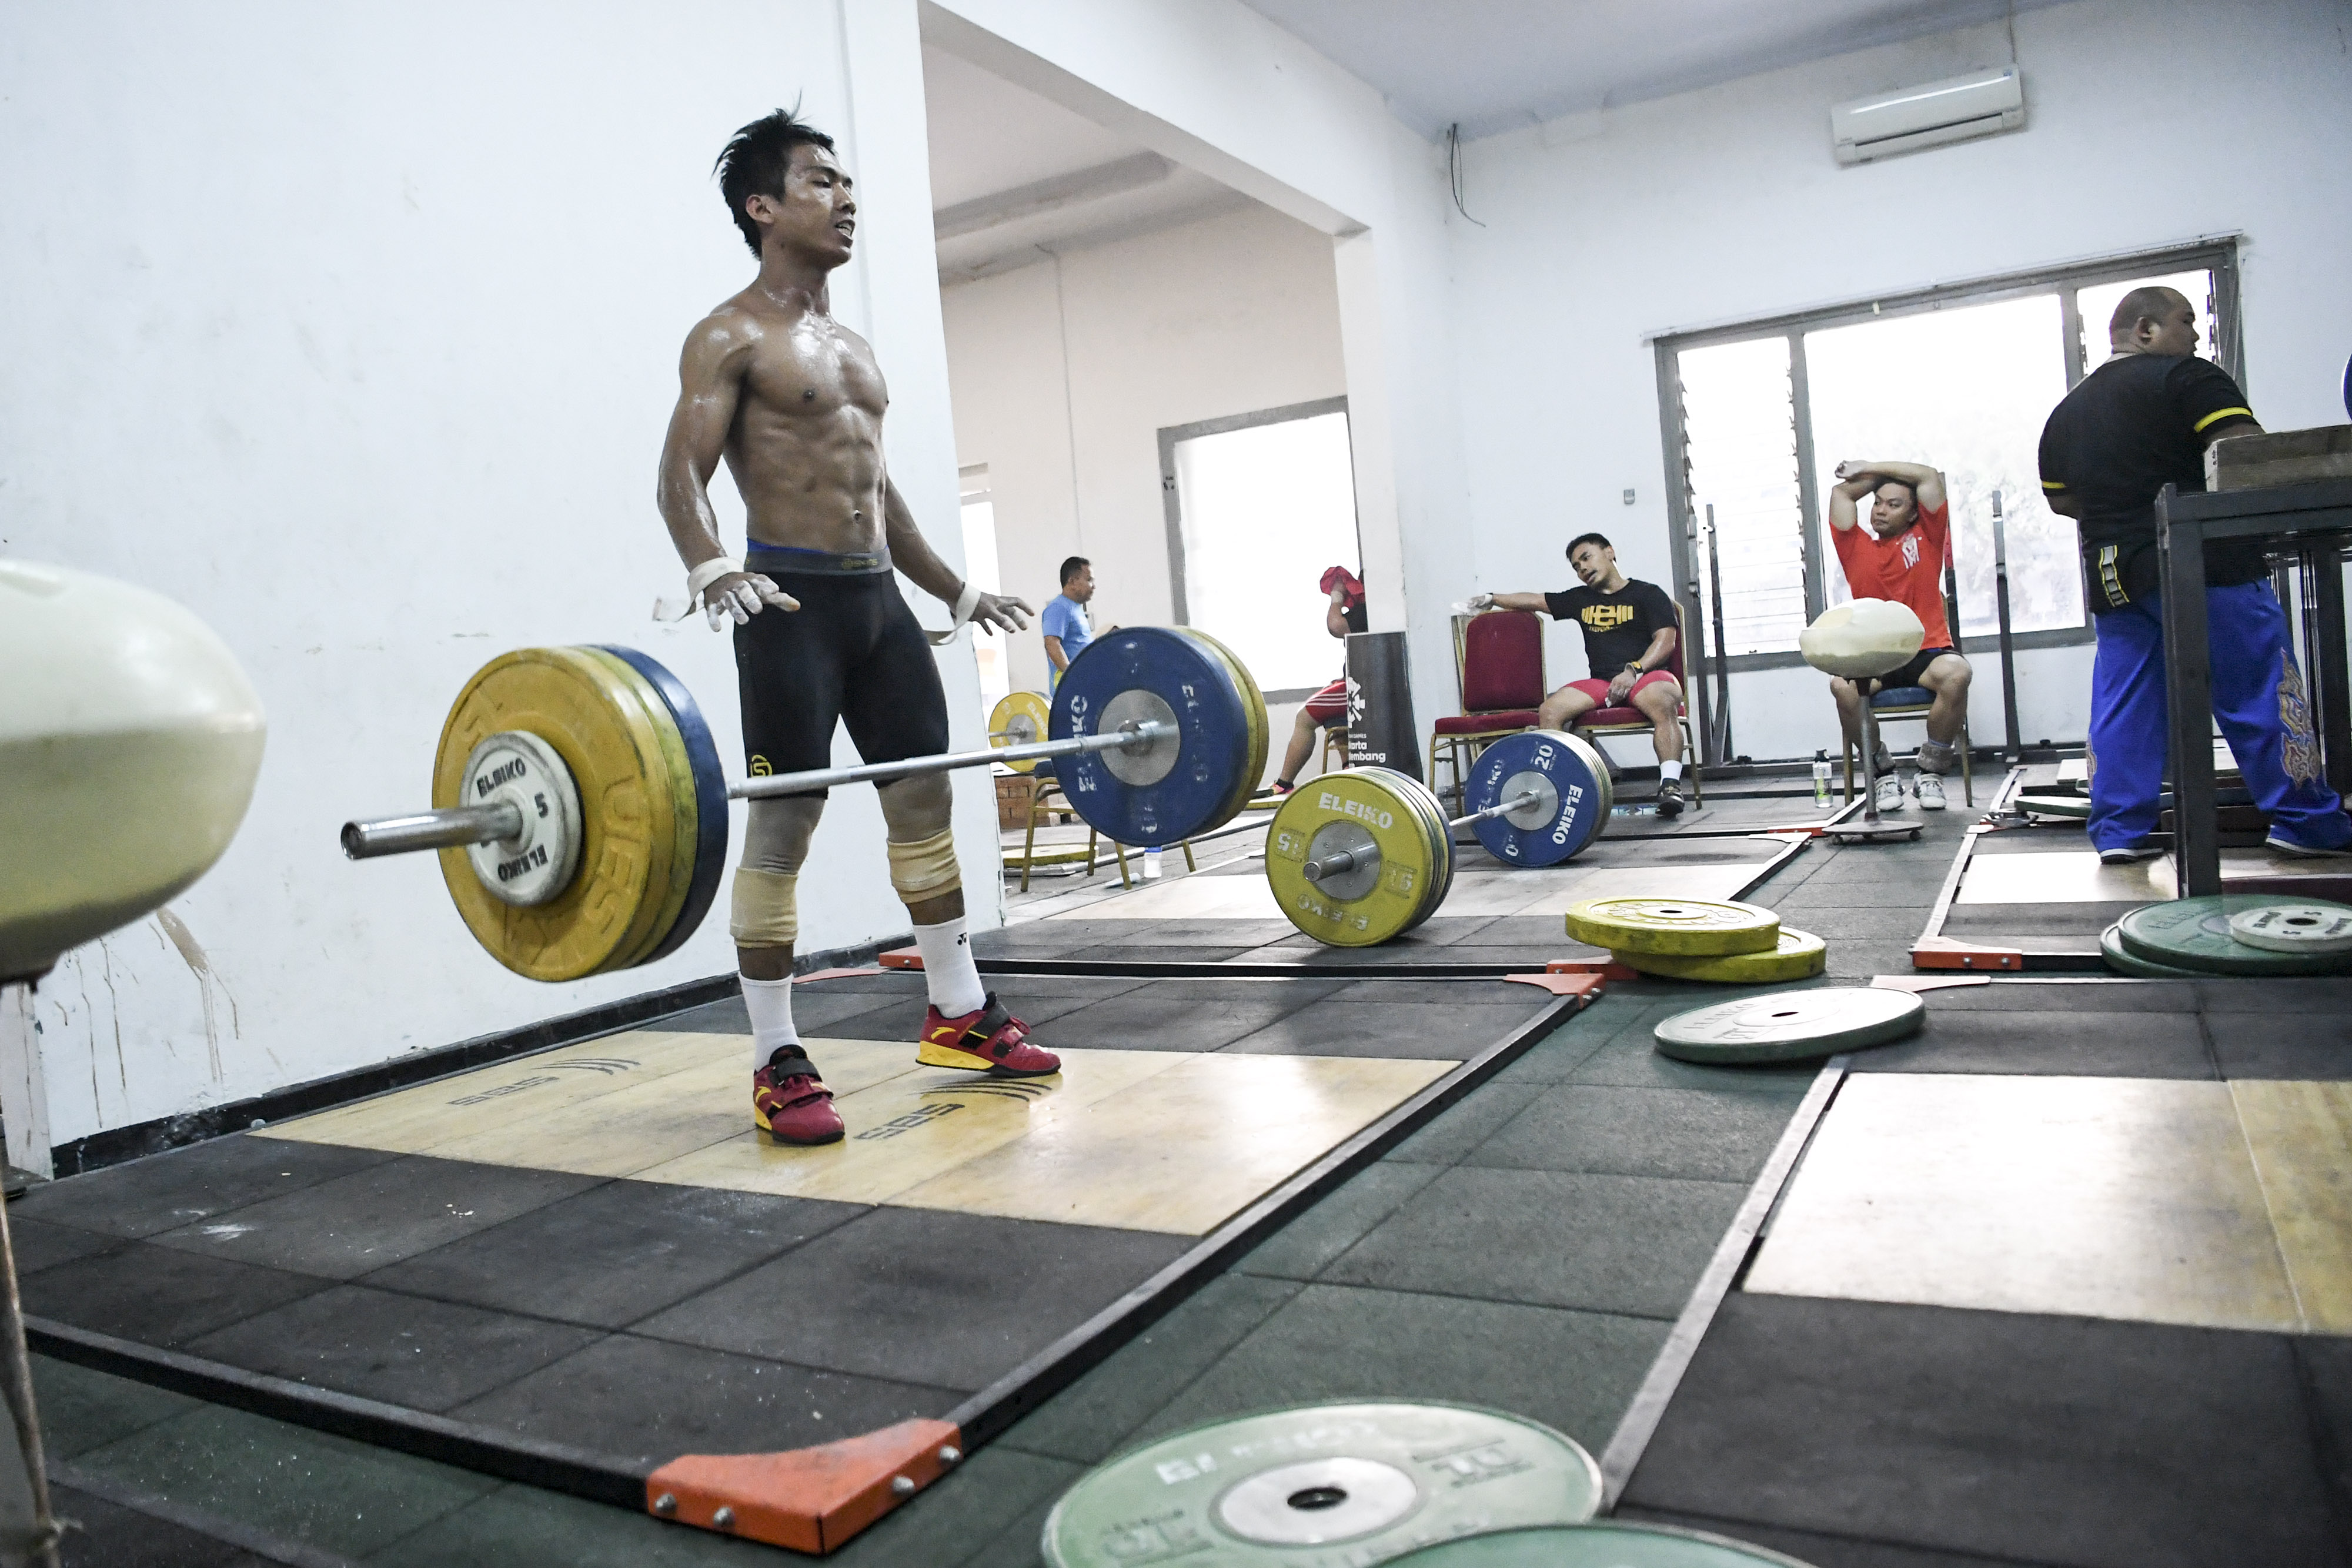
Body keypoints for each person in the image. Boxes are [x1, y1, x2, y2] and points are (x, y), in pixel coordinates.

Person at [657, 109, 1063, 1146]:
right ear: (762, 206)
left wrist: (955, 592)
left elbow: (879, 493)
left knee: (925, 806)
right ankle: (775, 1056)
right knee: (785, 826)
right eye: (820, 182)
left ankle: (961, 1014)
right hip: (790, 605)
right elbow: (681, 477)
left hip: (880, 603)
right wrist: (712, 567)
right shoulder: (728, 335)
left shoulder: (852, 346)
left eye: (846, 184)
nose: (845, 199)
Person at [2039, 285, 2350, 864]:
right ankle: (2305, 822)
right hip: (2208, 561)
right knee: (2256, 685)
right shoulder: (2186, 378)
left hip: (2114, 572)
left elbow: (2064, 503)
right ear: (2145, 331)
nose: (2195, 335)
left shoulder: (2065, 413)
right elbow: (2244, 459)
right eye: (2185, 321)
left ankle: (2119, 834)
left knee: (2125, 701)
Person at [1472, 533, 1686, 818]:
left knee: (1662, 699)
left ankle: (1670, 786)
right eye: (1576, 566)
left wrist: (1634, 669)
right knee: (1551, 710)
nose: (1582, 568)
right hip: (1601, 681)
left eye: (1586, 558)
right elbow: (1536, 601)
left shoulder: (1648, 594)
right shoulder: (1581, 599)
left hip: (1647, 675)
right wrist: (1491, 598)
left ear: (1610, 552)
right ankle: (1556, 792)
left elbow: (1666, 641)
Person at [1823, 459, 1972, 811]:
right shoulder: (1855, 545)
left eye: (1894, 504)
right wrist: (1880, 479)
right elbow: (1841, 494)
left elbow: (1929, 477)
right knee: (1841, 686)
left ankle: (1930, 772)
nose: (1880, 511)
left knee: (1958, 674)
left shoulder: (1928, 536)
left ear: (1913, 514)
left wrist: (1871, 466)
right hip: (1875, 656)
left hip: (1927, 652)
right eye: (1877, 502)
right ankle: (1883, 773)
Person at [1273, 566, 1367, 794]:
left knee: (1305, 717)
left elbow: (1335, 626)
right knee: (1332, 707)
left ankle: (1284, 784)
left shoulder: (1368, 609)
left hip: (1361, 685)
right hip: (1363, 681)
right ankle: (1349, 768)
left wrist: (1337, 595)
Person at [1041, 556, 1101, 688]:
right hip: (1070, 689)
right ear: (1072, 582)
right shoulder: (1059, 608)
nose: (1094, 586)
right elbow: (1052, 643)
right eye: (1089, 580)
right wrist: (1071, 676)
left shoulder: (1076, 609)